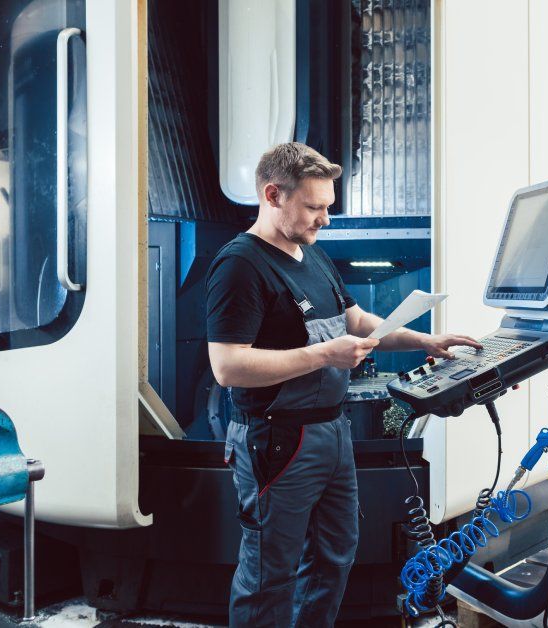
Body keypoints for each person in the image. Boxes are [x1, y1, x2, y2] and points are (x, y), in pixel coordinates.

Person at [206, 142, 481, 627]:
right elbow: (227, 367)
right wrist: (323, 355)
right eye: (315, 207)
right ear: (273, 195)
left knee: (334, 558)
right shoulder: (241, 265)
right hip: (277, 440)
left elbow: (357, 321)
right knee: (270, 573)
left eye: (328, 206)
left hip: (332, 435)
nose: (325, 219)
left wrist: (425, 340)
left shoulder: (312, 255)